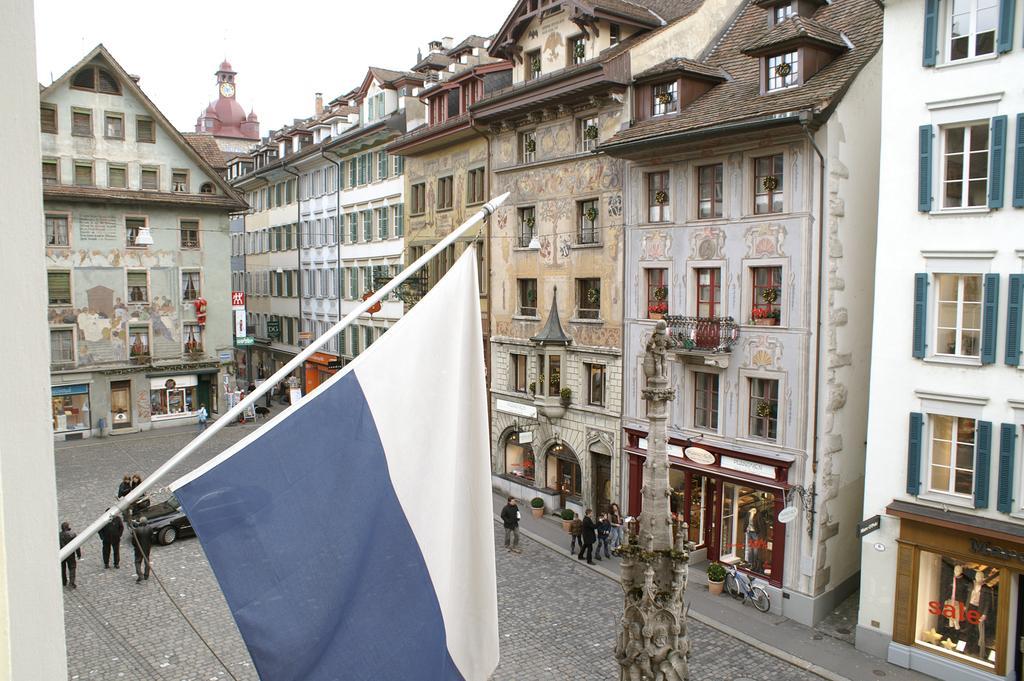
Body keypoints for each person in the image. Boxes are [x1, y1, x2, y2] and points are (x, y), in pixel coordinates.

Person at [59, 521, 82, 588]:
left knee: (62, 568)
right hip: (70, 554)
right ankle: (71, 582)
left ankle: (64, 581)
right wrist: (78, 554)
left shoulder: (58, 535)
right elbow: (76, 545)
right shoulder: (72, 534)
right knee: (72, 567)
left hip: (62, 553)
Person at [131, 518, 152, 583]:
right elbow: (152, 537)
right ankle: (146, 575)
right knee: (146, 560)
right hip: (147, 548)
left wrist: (135, 546)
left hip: (138, 549)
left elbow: (134, 541)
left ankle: (140, 574)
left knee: (137, 562)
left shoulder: (136, 530)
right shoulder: (149, 528)